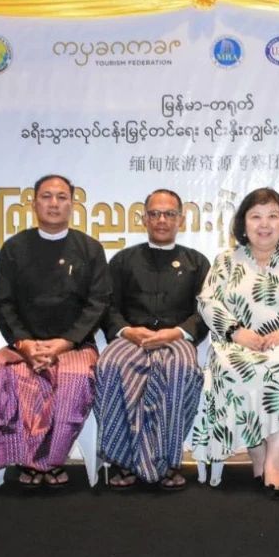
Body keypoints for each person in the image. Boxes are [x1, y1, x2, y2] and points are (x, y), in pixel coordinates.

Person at [191, 187, 279, 499]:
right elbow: (208, 302)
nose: (264, 224)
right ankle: (258, 457)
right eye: (256, 216)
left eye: (272, 216)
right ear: (244, 223)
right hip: (237, 345)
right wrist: (236, 332)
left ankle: (275, 462)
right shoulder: (226, 261)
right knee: (235, 368)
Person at [0, 174, 109, 489]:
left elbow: (98, 303)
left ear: (72, 204)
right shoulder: (14, 248)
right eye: (46, 196)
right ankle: (22, 458)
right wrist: (25, 344)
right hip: (24, 345)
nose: (54, 203)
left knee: (74, 381)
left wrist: (65, 342)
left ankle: (48, 462)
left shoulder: (89, 249)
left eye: (61, 197)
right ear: (34, 203)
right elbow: (2, 303)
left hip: (74, 346)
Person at [97, 189, 210, 490]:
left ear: (180, 220)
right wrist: (127, 331)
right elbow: (107, 307)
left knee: (181, 370)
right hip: (131, 338)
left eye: (169, 214)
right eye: (155, 214)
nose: (162, 220)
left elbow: (205, 312)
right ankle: (124, 460)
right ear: (144, 219)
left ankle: (168, 461)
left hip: (176, 339)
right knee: (110, 365)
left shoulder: (197, 262)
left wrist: (177, 332)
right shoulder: (123, 260)